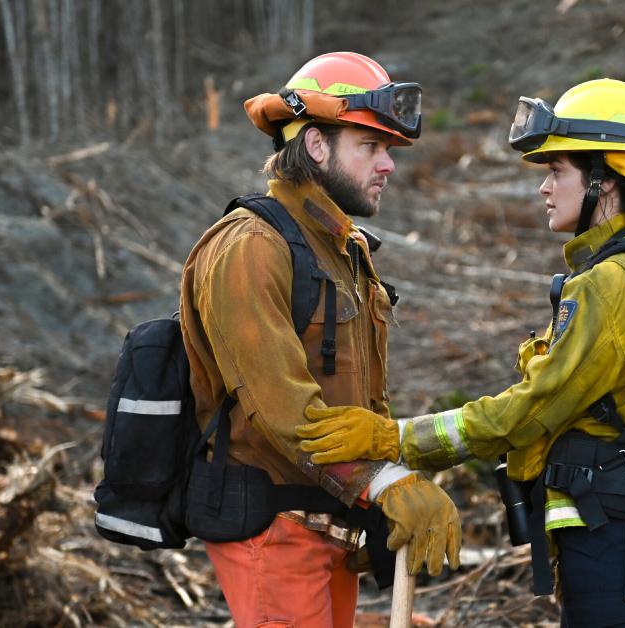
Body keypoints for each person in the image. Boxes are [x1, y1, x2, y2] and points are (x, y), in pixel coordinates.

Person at [296, 78, 625, 627]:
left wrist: (396, 439)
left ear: (605, 180)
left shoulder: (612, 283)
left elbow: (531, 410)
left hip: (618, 547)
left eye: (556, 172)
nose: (544, 189)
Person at [179, 51, 461, 628]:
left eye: (388, 150)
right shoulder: (249, 247)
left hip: (331, 525)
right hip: (273, 532)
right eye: (370, 148)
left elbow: (360, 403)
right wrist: (381, 482)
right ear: (314, 145)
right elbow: (280, 406)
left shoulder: (342, 249)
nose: (387, 165)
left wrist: (377, 486)